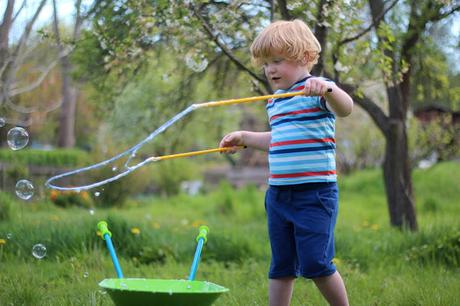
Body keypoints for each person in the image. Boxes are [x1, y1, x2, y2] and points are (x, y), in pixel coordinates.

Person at [219, 20, 352, 306]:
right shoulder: (276, 101)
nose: (270, 69)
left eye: (277, 61)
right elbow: (278, 139)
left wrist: (329, 89)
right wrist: (244, 138)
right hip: (278, 196)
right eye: (266, 63)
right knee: (281, 266)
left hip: (314, 194)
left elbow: (346, 108)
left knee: (316, 263)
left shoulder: (317, 91)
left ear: (304, 57)